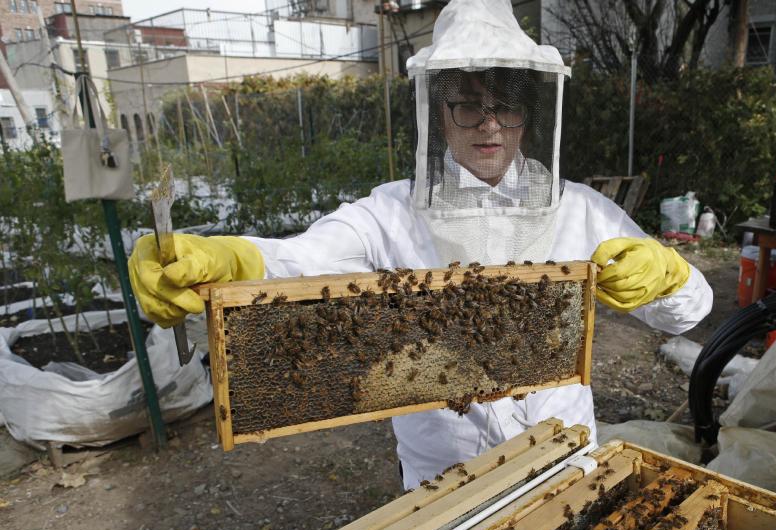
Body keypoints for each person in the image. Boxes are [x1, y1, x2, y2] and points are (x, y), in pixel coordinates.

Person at [128, 0, 713, 490]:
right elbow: (300, 263)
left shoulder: (582, 209)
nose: (489, 125)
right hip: (443, 473)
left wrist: (667, 274)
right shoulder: (388, 214)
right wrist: (234, 262)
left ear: (529, 115)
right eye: (468, 103)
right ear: (438, 111)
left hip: (565, 456)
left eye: (505, 105)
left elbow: (690, 312)